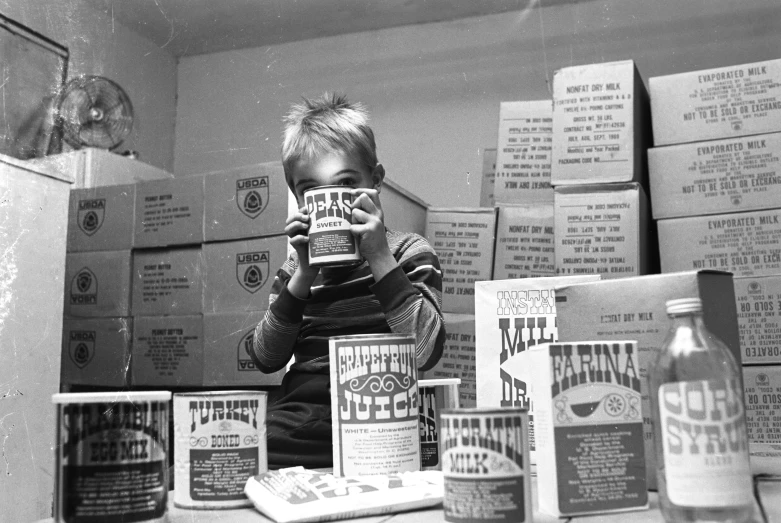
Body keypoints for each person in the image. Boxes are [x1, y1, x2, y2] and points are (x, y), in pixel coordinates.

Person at [249, 93, 446, 469]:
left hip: (378, 412)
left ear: (376, 181)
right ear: (297, 196)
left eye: (346, 183)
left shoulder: (407, 252)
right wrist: (304, 273)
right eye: (311, 190)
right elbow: (265, 357)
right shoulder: (296, 269)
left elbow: (427, 351)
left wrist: (378, 256)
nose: (330, 200)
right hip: (302, 414)